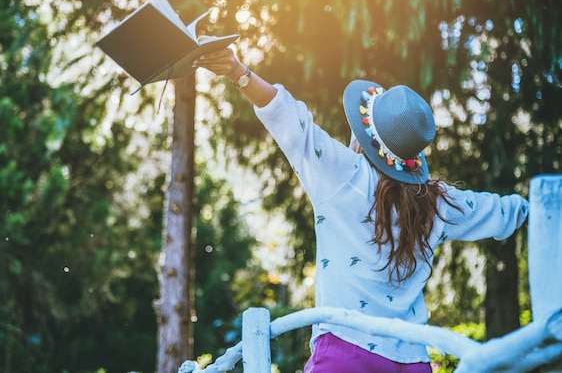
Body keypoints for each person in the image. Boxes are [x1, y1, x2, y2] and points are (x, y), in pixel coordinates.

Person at [193, 48, 529, 373]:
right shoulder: (438, 202)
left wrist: (239, 72)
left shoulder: (342, 173)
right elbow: (506, 211)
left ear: (364, 135)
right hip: (412, 360)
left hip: (345, 352)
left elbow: (287, 117)